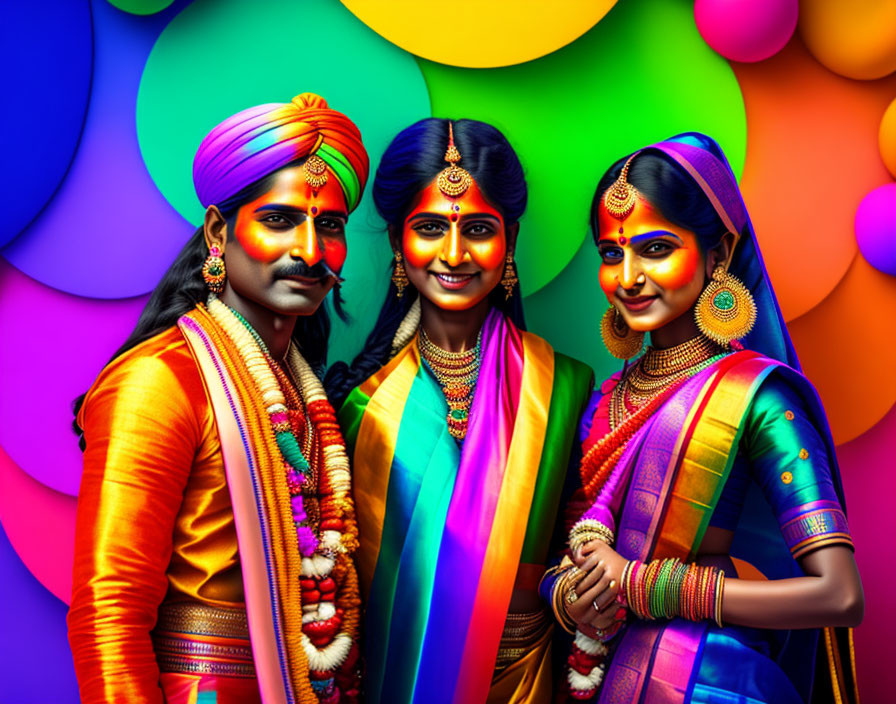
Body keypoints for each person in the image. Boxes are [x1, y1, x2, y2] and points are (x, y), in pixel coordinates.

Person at [68, 93, 369, 704]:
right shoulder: (159, 380)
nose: (311, 249)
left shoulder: (300, 385)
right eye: (280, 219)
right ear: (217, 231)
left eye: (329, 226)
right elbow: (109, 612)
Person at [542, 133, 863, 703]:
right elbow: (564, 554)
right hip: (595, 676)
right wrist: (567, 594)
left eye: (656, 248)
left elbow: (839, 595)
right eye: (613, 254)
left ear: (716, 254)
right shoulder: (603, 400)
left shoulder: (755, 396)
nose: (630, 277)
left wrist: (650, 587)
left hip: (709, 682)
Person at [327, 118, 593, 703]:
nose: (454, 253)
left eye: (477, 228)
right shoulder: (356, 404)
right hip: (392, 678)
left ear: (511, 239)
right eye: (429, 229)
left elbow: (582, 545)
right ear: (399, 242)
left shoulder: (566, 387)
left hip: (527, 678)